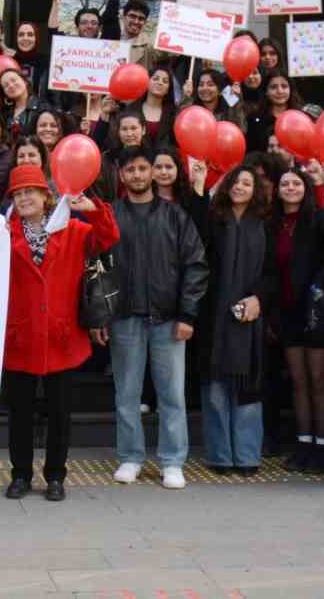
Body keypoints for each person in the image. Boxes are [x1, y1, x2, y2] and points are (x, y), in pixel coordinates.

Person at [1, 164, 118, 501]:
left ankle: (56, 476)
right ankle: (20, 474)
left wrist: (94, 210)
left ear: (45, 196)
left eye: (29, 192)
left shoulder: (73, 230)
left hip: (61, 335)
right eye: (17, 193)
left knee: (60, 413)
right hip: (20, 336)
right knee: (20, 413)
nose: (23, 198)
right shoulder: (1, 234)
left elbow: (109, 238)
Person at [100, 146, 208, 490]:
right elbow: (98, 270)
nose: (136, 175)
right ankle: (130, 457)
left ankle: (173, 461)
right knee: (127, 395)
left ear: (153, 172)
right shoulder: (112, 215)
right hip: (124, 318)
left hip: (169, 318)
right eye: (130, 169)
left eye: (142, 168)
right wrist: (100, 316)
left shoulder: (175, 216)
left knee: (172, 396)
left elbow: (196, 265)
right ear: (122, 175)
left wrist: (188, 313)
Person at [197, 164, 276, 476]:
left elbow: (273, 270)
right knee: (215, 387)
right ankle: (220, 455)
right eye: (236, 182)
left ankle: (246, 456)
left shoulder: (266, 224)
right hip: (214, 315)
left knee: (247, 386)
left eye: (247, 183)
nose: (241, 187)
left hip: (252, 315)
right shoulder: (213, 220)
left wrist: (259, 298)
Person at [272, 162, 324, 473]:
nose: (290, 188)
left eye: (296, 184)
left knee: (319, 382)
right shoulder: (272, 223)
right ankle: (303, 444)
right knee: (299, 382)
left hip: (316, 311)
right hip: (286, 310)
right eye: (285, 184)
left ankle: (322, 447)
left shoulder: (315, 218)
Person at [245, 70, 303, 153]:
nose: (280, 91)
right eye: (273, 87)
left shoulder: (300, 117)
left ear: (291, 89)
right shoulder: (254, 119)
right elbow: (251, 153)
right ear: (266, 91)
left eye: (284, 86)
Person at [127, 64, 177, 146]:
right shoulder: (131, 109)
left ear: (168, 89)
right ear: (147, 82)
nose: (160, 82)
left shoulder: (173, 114)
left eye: (165, 81)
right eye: (155, 79)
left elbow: (174, 144)